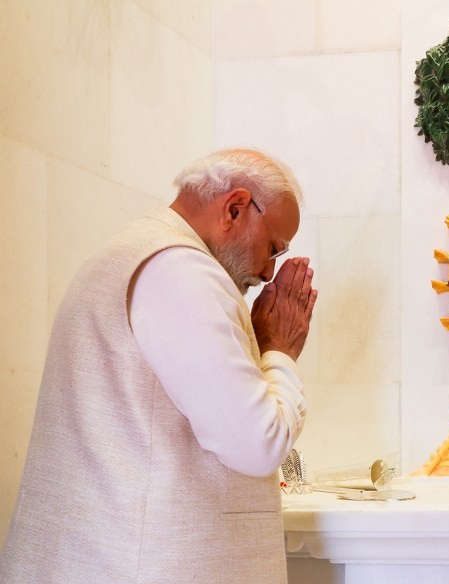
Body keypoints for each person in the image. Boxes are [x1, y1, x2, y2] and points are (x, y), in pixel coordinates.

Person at [0, 148, 317, 583]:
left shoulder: (133, 252)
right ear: (235, 208)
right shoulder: (181, 271)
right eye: (273, 247)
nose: (268, 272)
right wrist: (278, 351)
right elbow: (256, 444)